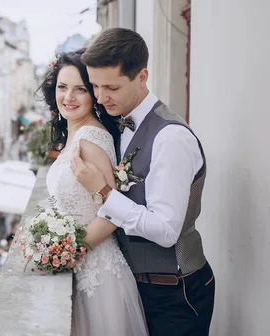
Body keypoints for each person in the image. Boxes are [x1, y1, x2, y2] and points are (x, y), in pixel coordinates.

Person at [70, 28, 215, 335]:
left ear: (142, 76)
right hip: (134, 288)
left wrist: (104, 192)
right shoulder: (116, 123)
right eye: (94, 86)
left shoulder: (170, 138)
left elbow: (165, 231)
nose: (100, 97)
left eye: (111, 87)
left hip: (175, 293)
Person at [37, 49, 148, 335]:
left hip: (97, 273)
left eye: (80, 89)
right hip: (79, 263)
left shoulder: (92, 138)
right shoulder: (74, 133)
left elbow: (112, 213)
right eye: (63, 87)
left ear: (93, 95)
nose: (69, 97)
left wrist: (68, 251)